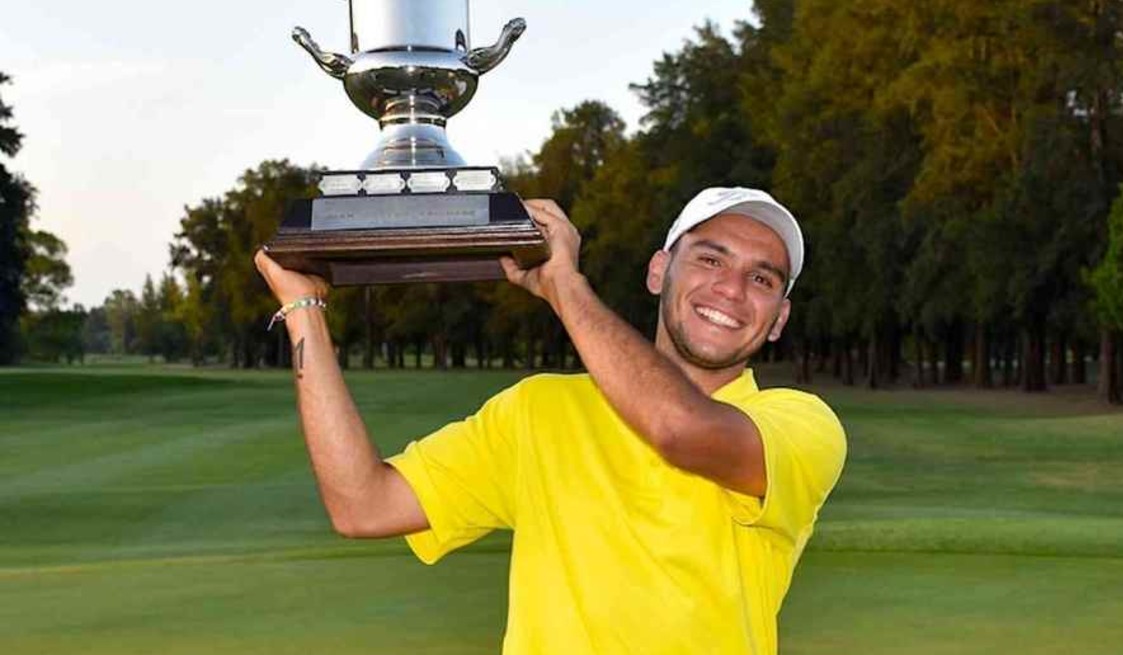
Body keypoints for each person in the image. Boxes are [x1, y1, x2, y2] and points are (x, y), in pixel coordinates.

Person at [253, 187, 846, 655]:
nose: (731, 289)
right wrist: (304, 308)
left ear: (779, 318)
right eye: (710, 259)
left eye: (761, 278)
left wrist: (563, 283)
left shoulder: (800, 425)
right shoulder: (539, 410)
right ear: (659, 270)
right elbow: (363, 504)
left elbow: (680, 430)